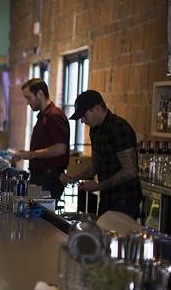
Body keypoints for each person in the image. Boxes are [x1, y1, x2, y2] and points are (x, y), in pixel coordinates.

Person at [60, 90, 143, 219]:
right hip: (107, 198)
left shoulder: (119, 128)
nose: (82, 121)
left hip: (125, 200)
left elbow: (130, 171)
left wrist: (98, 186)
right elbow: (96, 164)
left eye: (84, 115)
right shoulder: (95, 130)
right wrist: (77, 176)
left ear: (97, 108)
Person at [12, 78, 69, 200]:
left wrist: (32, 154)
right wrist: (24, 154)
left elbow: (60, 148)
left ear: (40, 94)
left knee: (40, 217)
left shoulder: (54, 116)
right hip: (40, 177)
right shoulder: (43, 116)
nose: (27, 103)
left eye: (28, 98)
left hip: (49, 179)